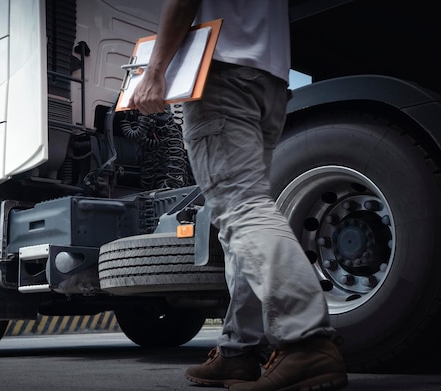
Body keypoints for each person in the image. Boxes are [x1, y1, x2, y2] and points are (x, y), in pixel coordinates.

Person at [128, 1, 349, 390]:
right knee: (240, 221)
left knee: (242, 211)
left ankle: (306, 343)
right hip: (271, 81)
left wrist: (155, 71)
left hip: (222, 72)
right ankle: (239, 351)